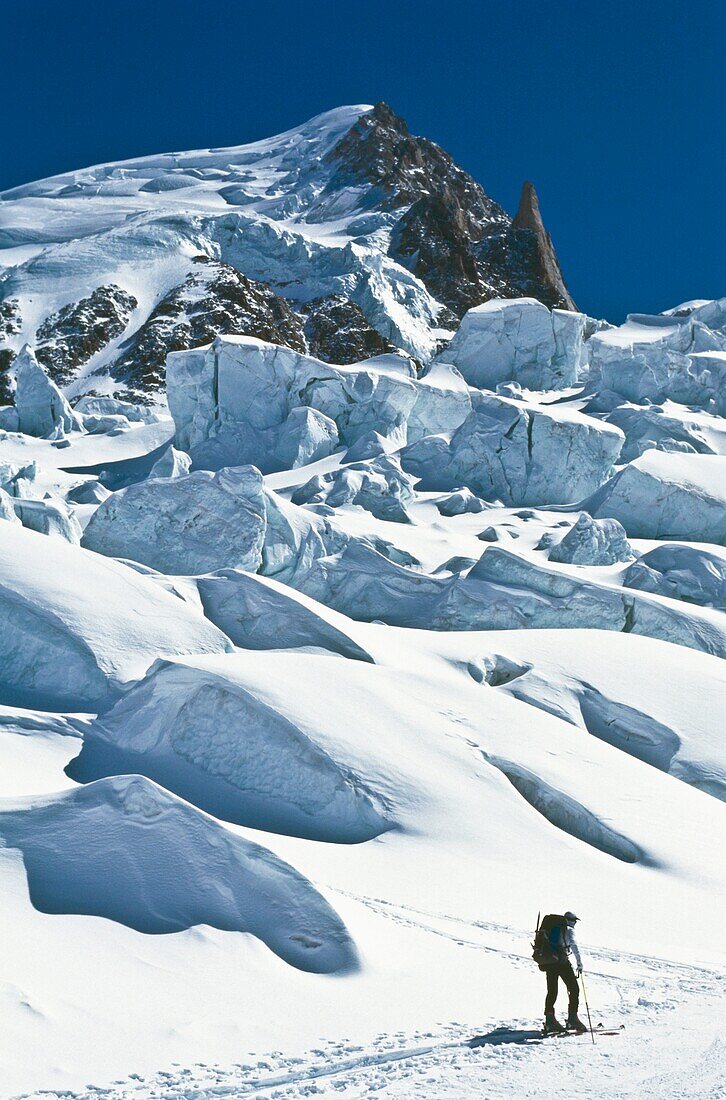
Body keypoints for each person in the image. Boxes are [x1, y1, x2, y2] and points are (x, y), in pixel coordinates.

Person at [537, 911, 588, 1034]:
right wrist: (579, 963)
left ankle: (550, 1020)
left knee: (552, 990)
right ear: (571, 920)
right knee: (574, 988)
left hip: (550, 960)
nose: (575, 923)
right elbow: (574, 946)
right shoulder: (569, 930)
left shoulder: (554, 928)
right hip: (561, 962)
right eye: (575, 921)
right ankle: (572, 1019)